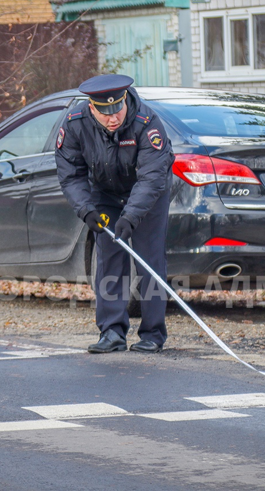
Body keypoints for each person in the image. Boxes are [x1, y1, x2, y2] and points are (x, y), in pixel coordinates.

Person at [55, 74, 174, 353]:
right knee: (108, 259)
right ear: (91, 108)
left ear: (124, 101)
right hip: (105, 194)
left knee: (149, 260)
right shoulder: (74, 124)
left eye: (117, 110)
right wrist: (87, 210)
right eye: (104, 113)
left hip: (148, 197)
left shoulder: (147, 123)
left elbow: (152, 179)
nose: (113, 118)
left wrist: (131, 217)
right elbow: (71, 174)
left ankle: (153, 334)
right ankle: (112, 332)